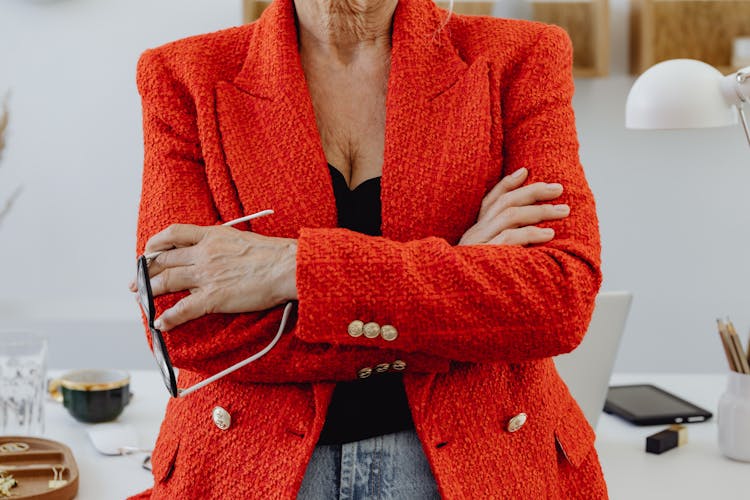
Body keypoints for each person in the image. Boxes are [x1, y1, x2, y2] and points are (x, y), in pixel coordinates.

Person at [130, 0, 606, 497]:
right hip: (244, 467)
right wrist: (459, 275)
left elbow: (559, 298)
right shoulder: (181, 74)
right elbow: (178, 323)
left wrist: (290, 267)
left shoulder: (521, 57)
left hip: (483, 462)